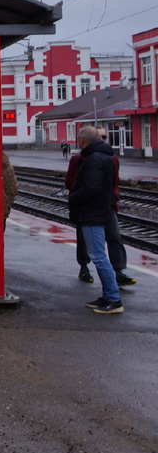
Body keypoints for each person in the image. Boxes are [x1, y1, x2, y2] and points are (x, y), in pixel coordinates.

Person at [66, 128, 134, 286]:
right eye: (100, 136)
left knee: (113, 237)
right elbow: (72, 181)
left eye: (104, 136)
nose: (102, 138)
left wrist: (114, 196)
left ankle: (118, 272)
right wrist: (76, 198)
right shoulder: (79, 158)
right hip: (89, 207)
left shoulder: (110, 158)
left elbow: (113, 181)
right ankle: (84, 267)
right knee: (85, 240)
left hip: (105, 205)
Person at [69, 125, 124, 314]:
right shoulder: (106, 156)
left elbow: (91, 188)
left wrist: (73, 198)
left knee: (99, 257)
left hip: (92, 213)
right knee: (99, 255)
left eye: (79, 140)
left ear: (82, 141)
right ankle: (108, 295)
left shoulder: (93, 159)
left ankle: (113, 299)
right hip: (100, 210)